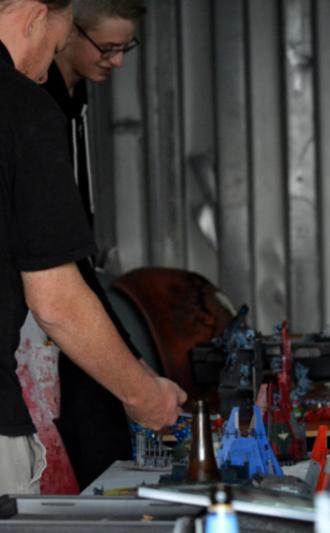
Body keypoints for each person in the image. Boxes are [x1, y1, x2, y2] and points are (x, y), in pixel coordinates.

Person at [0, 0, 185, 495]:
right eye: (57, 46)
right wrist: (144, 396)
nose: (47, 75)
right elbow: (56, 300)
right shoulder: (21, 104)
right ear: (35, 16)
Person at [41, 0, 145, 491]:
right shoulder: (36, 105)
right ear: (66, 31)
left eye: (126, 47)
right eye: (107, 47)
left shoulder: (75, 99)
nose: (117, 61)